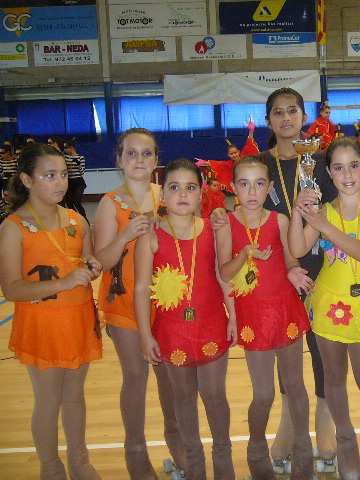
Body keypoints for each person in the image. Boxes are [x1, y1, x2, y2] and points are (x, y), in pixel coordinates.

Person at [289, 137, 360, 479]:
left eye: (354, 165)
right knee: (334, 380)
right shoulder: (323, 210)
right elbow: (296, 247)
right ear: (329, 173)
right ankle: (345, 440)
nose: (347, 174)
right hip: (326, 305)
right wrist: (298, 212)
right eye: (338, 167)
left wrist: (322, 225)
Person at [0, 143, 103, 479]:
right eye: (49, 176)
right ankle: (50, 465)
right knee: (49, 399)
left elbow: (86, 262)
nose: (60, 183)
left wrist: (92, 266)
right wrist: (65, 282)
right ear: (27, 180)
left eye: (62, 175)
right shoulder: (13, 228)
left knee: (75, 397)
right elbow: (12, 288)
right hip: (43, 327)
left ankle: (80, 460)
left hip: (78, 320)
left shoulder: (76, 219)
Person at [135, 159, 236, 479]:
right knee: (183, 400)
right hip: (171, 332)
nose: (182, 194)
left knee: (215, 395)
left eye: (190, 187)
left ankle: (224, 461)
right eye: (174, 187)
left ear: (201, 193)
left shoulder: (213, 229)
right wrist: (144, 335)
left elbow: (223, 276)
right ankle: (194, 467)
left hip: (211, 326)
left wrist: (233, 316)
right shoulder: (150, 236)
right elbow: (140, 287)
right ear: (161, 193)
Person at [93, 128, 185, 479]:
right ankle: (136, 454)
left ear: (156, 160)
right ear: (118, 159)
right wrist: (126, 235)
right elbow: (101, 259)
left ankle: (177, 447)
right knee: (135, 376)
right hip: (124, 304)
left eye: (146, 154)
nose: (139, 160)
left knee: (171, 381)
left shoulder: (167, 194)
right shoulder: (109, 204)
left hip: (166, 301)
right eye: (131, 153)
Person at [216, 157, 314, 479]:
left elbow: (289, 258)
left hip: (284, 309)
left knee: (295, 385)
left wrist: (293, 272)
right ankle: (256, 445)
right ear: (234, 189)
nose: (252, 191)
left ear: (270, 187)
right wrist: (244, 255)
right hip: (253, 316)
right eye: (244, 184)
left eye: (259, 184)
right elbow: (223, 272)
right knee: (264, 394)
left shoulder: (280, 220)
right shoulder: (227, 224)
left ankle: (303, 450)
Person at [257, 87, 338, 472]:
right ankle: (289, 420)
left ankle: (327, 417)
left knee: (322, 348)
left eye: (292, 111)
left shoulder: (323, 160)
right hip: (278, 269)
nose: (286, 118)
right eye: (278, 112)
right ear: (269, 120)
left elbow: (341, 207)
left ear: (303, 115)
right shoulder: (258, 165)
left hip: (323, 266)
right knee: (286, 352)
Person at [62, 138, 88, 220]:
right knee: (69, 203)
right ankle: (74, 219)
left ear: (72, 148)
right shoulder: (65, 158)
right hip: (69, 182)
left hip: (78, 182)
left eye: (66, 147)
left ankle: (84, 219)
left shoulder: (80, 157)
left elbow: (82, 172)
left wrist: (78, 164)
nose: (65, 150)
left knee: (76, 201)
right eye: (64, 148)